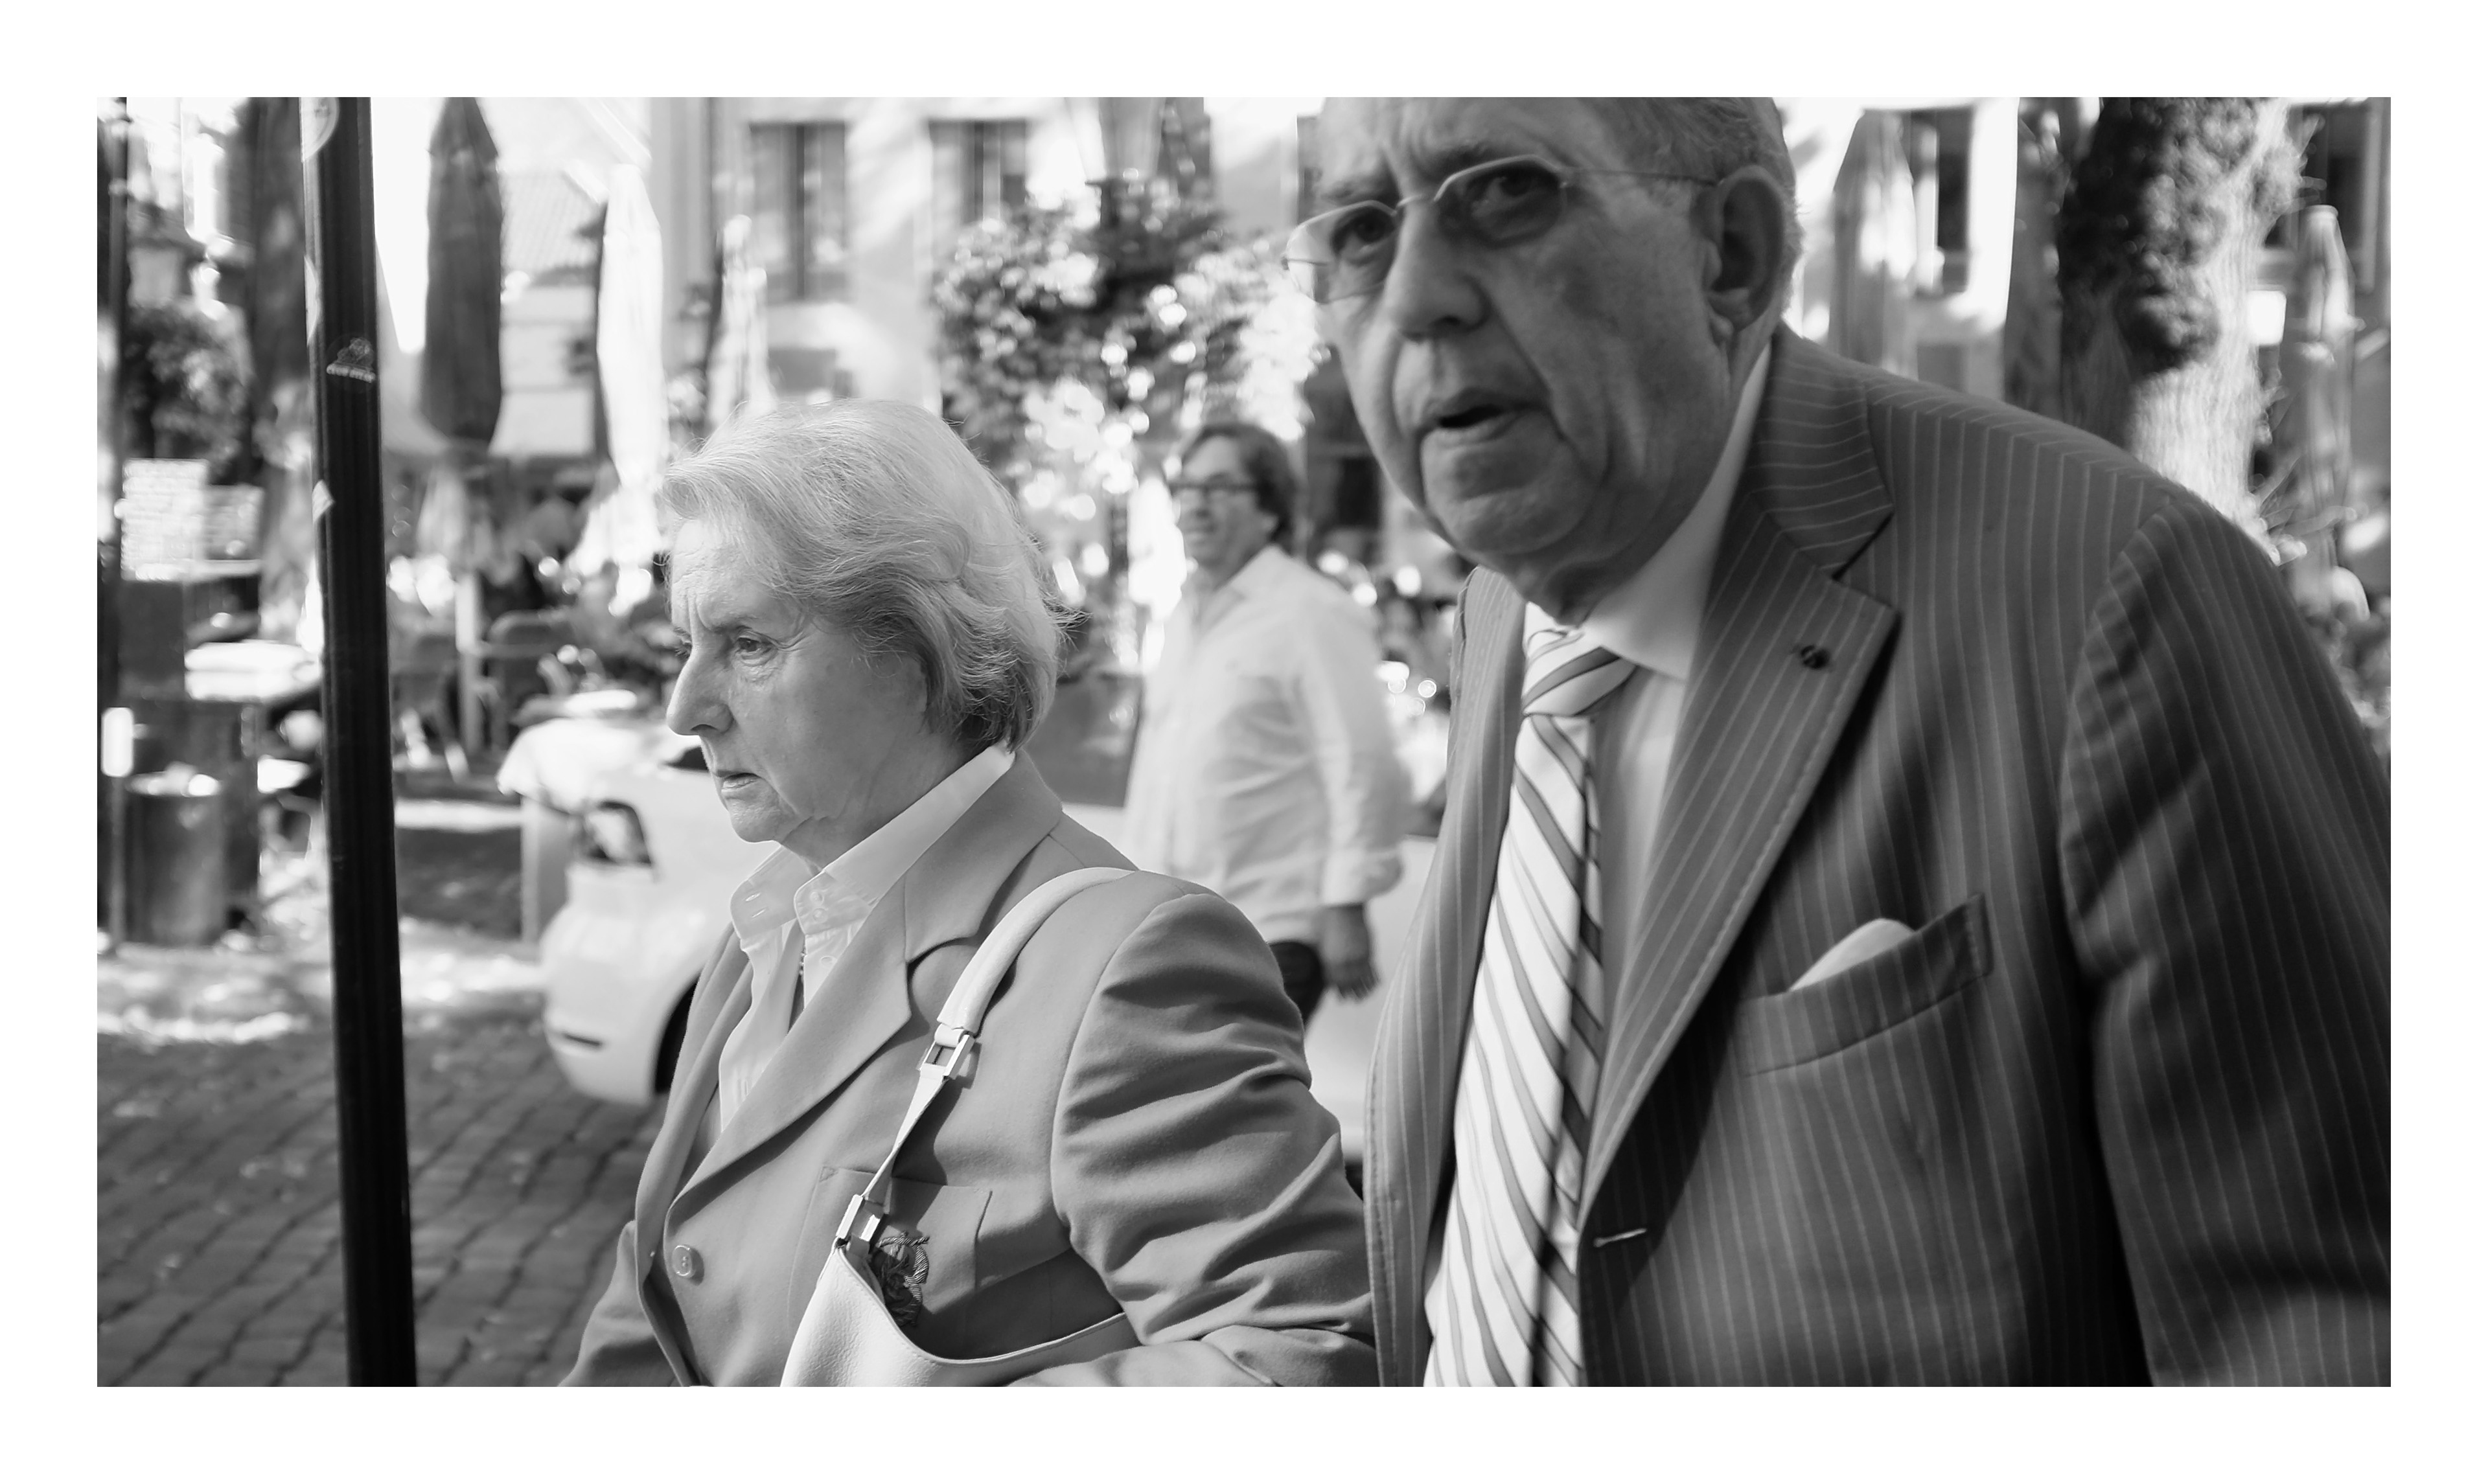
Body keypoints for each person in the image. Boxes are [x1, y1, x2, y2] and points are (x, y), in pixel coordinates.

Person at [1301, 97, 2389, 1385]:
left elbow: (2314, 1341)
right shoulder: (1507, 601)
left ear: (1735, 255)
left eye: (1504, 192)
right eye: (1361, 230)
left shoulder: (2115, 590)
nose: (1416, 294)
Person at [562, 400, 1375, 1386]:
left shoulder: (1128, 971)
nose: (685, 706)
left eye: (748, 643)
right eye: (687, 644)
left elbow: (1303, 1351)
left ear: (917, 652)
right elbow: (658, 1297)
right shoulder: (769, 924)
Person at [1124, 421, 1409, 1027]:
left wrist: (1347, 904)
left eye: (1221, 487)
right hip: (1169, 922)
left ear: (1271, 508)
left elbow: (1363, 761)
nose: (1197, 504)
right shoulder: (1182, 612)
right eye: (1188, 487)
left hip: (1270, 929)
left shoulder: (1312, 611)